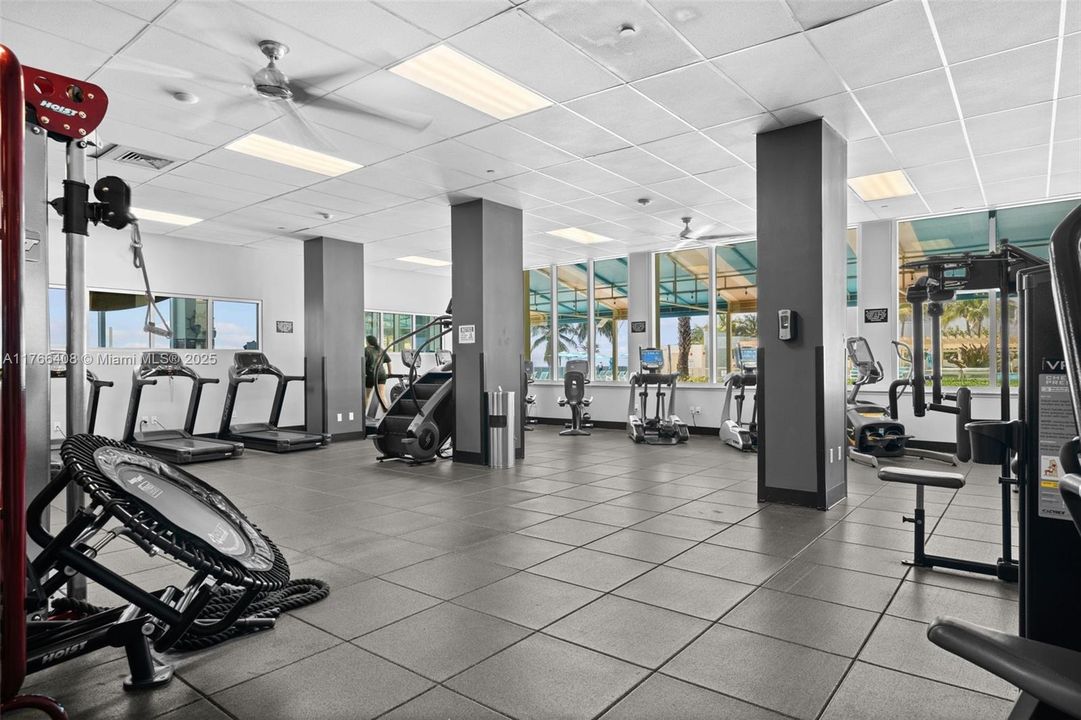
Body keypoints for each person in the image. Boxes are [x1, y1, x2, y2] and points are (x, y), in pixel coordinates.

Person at [364, 335, 392, 409]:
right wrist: (390, 372)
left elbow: (364, 362)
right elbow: (389, 361)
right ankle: (386, 413)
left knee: (367, 396)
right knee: (382, 395)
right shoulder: (380, 349)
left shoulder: (366, 350)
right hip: (382, 375)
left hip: (371, 375)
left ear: (368, 341)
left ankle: (365, 416)